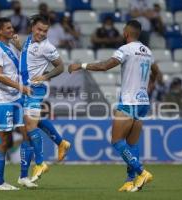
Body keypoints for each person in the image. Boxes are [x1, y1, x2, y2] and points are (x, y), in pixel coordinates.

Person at [69, 20, 161, 192]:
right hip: (143, 102)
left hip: (128, 102)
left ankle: (142, 172)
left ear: (126, 33)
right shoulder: (148, 51)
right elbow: (156, 71)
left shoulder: (125, 49)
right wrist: (151, 84)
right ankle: (130, 181)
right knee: (132, 145)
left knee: (117, 141)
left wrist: (80, 66)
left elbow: (104, 66)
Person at [19, 14, 68, 183]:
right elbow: (27, 56)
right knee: (34, 122)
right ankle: (61, 143)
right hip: (24, 89)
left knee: (30, 126)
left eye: (45, 31)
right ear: (32, 27)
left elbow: (61, 66)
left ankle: (40, 163)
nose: (41, 33)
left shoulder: (47, 46)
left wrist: (46, 76)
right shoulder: (28, 40)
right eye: (39, 29)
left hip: (36, 90)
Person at [0, 17, 35, 190]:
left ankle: (23, 176)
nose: (11, 29)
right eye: (7, 28)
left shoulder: (10, 47)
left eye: (11, 26)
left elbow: (26, 64)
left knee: (27, 134)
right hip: (3, 101)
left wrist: (19, 46)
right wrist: (20, 87)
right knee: (4, 141)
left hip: (17, 99)